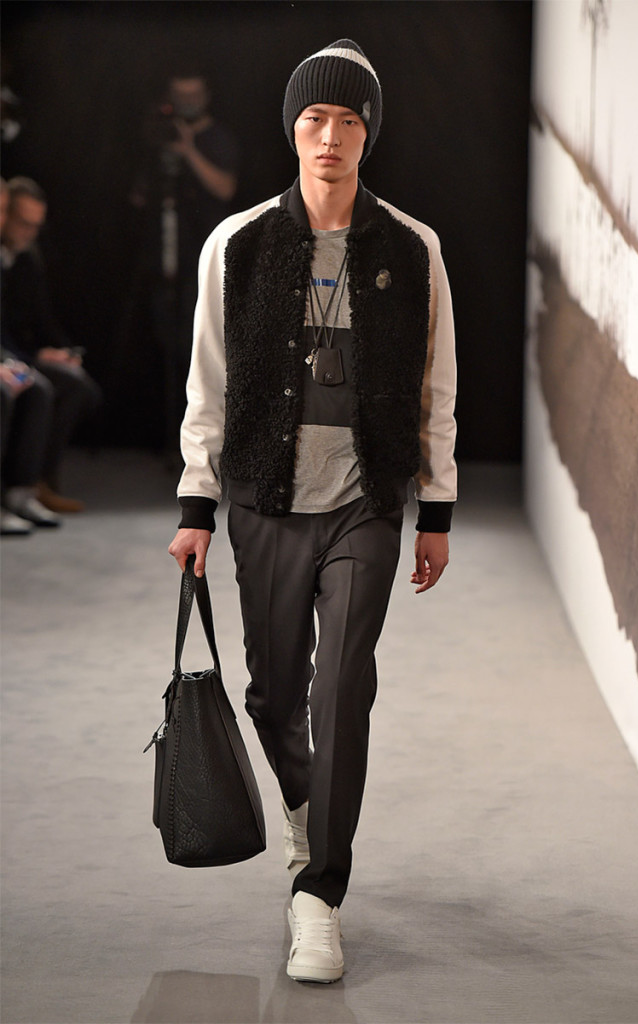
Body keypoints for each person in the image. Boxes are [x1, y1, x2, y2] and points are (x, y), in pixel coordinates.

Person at [168, 40, 457, 984]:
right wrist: (197, 501)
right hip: (265, 498)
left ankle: (319, 892)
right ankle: (307, 814)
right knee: (271, 692)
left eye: (348, 120)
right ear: (292, 128)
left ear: (370, 133)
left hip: (365, 501)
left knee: (342, 688)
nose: (330, 136)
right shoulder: (239, 242)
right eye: (314, 118)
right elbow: (208, 381)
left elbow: (436, 386)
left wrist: (437, 509)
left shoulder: (412, 247)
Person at [129, 72, 241, 449]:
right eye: (180, 95)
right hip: (163, 254)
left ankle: (210, 436)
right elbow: (140, 195)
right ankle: (169, 433)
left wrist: (189, 150)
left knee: (198, 344)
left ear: (206, 96)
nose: (187, 102)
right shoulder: (160, 138)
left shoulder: (218, 138)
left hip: (203, 256)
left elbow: (225, 188)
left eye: (193, 95)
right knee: (165, 340)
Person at [1, 177, 102, 513]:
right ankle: (17, 488)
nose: (29, 232)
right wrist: (26, 358)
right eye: (22, 222)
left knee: (77, 385)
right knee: (35, 387)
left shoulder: (27, 258)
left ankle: (38, 481)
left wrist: (64, 351)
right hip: (14, 355)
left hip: (19, 354)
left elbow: (42, 317)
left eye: (36, 225)